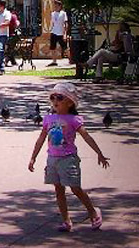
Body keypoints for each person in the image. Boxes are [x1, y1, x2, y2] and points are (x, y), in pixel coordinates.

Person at [28, 82, 109, 232]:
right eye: (52, 97)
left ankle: (93, 212)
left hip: (68, 159)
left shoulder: (73, 120)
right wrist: (33, 157)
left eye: (59, 98)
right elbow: (41, 138)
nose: (55, 101)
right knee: (58, 190)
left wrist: (99, 153)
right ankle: (66, 220)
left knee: (75, 188)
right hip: (52, 159)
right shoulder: (48, 119)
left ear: (70, 102)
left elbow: (86, 136)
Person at [48, 0, 69, 67]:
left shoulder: (63, 13)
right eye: (55, 5)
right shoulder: (53, 13)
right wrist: (50, 30)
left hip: (60, 33)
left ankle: (71, 59)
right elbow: (52, 23)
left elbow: (66, 24)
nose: (56, 7)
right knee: (52, 47)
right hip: (54, 32)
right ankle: (54, 61)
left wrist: (65, 33)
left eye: (57, 5)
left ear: (60, 6)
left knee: (65, 47)